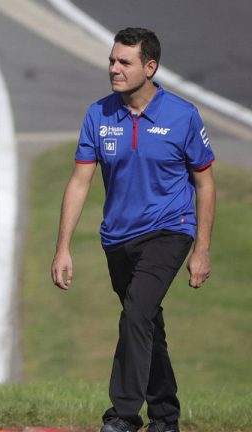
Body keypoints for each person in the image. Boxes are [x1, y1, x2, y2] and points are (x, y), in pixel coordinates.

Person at [50, 28, 215, 432]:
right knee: (146, 324)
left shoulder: (183, 116)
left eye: (124, 62)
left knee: (136, 314)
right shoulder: (98, 114)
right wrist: (63, 248)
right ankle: (165, 416)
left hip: (169, 231)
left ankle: (123, 415)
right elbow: (79, 181)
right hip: (117, 238)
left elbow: (205, 183)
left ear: (150, 67)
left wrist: (202, 250)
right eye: (112, 60)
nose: (114, 69)